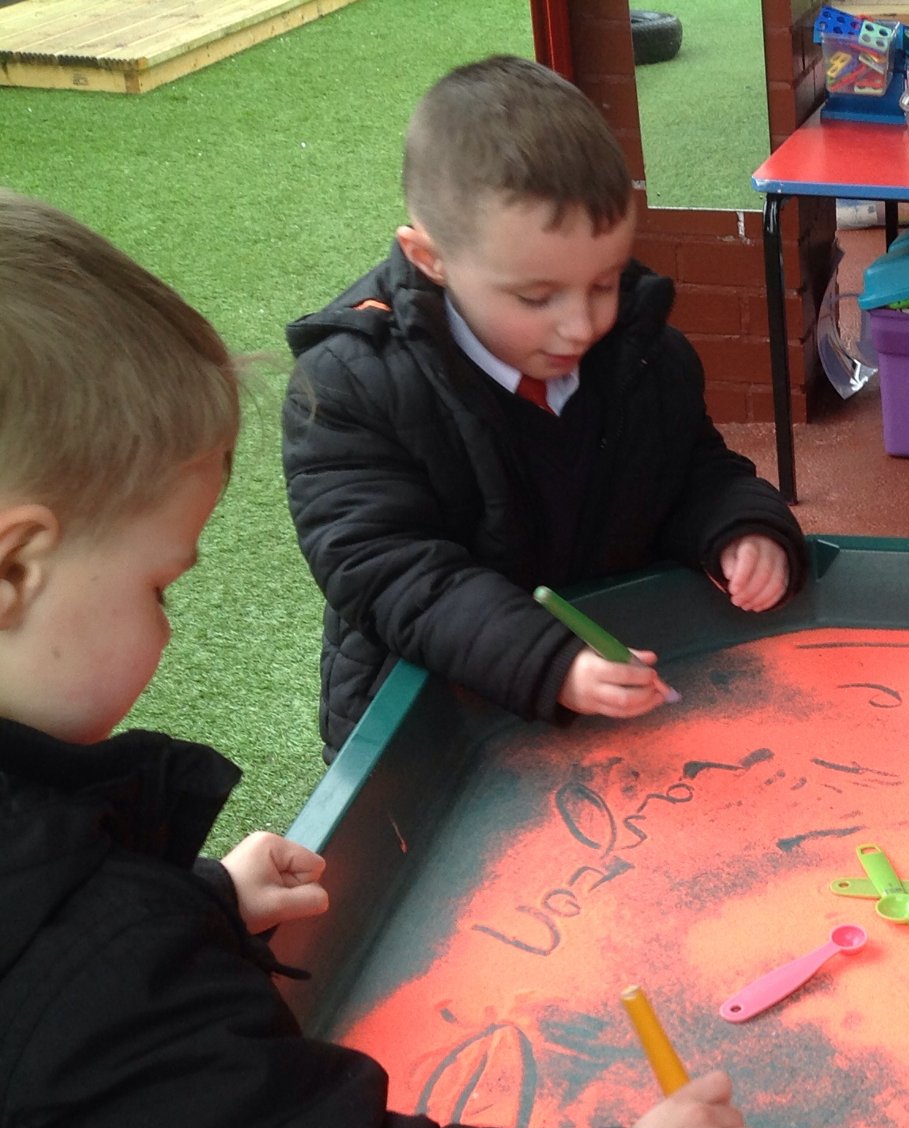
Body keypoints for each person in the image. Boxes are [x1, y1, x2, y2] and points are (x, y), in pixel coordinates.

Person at [0, 192, 765, 1128]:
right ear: (14, 566)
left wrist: (188, 908)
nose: (169, 631)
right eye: (160, 587)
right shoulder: (73, 959)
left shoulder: (63, 941)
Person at [285, 56, 806, 759]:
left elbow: (690, 471)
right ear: (430, 258)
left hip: (614, 712)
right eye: (536, 298)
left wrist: (741, 527)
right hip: (439, 731)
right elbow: (390, 571)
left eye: (606, 281)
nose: (581, 325)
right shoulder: (352, 384)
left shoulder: (645, 354)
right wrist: (548, 662)